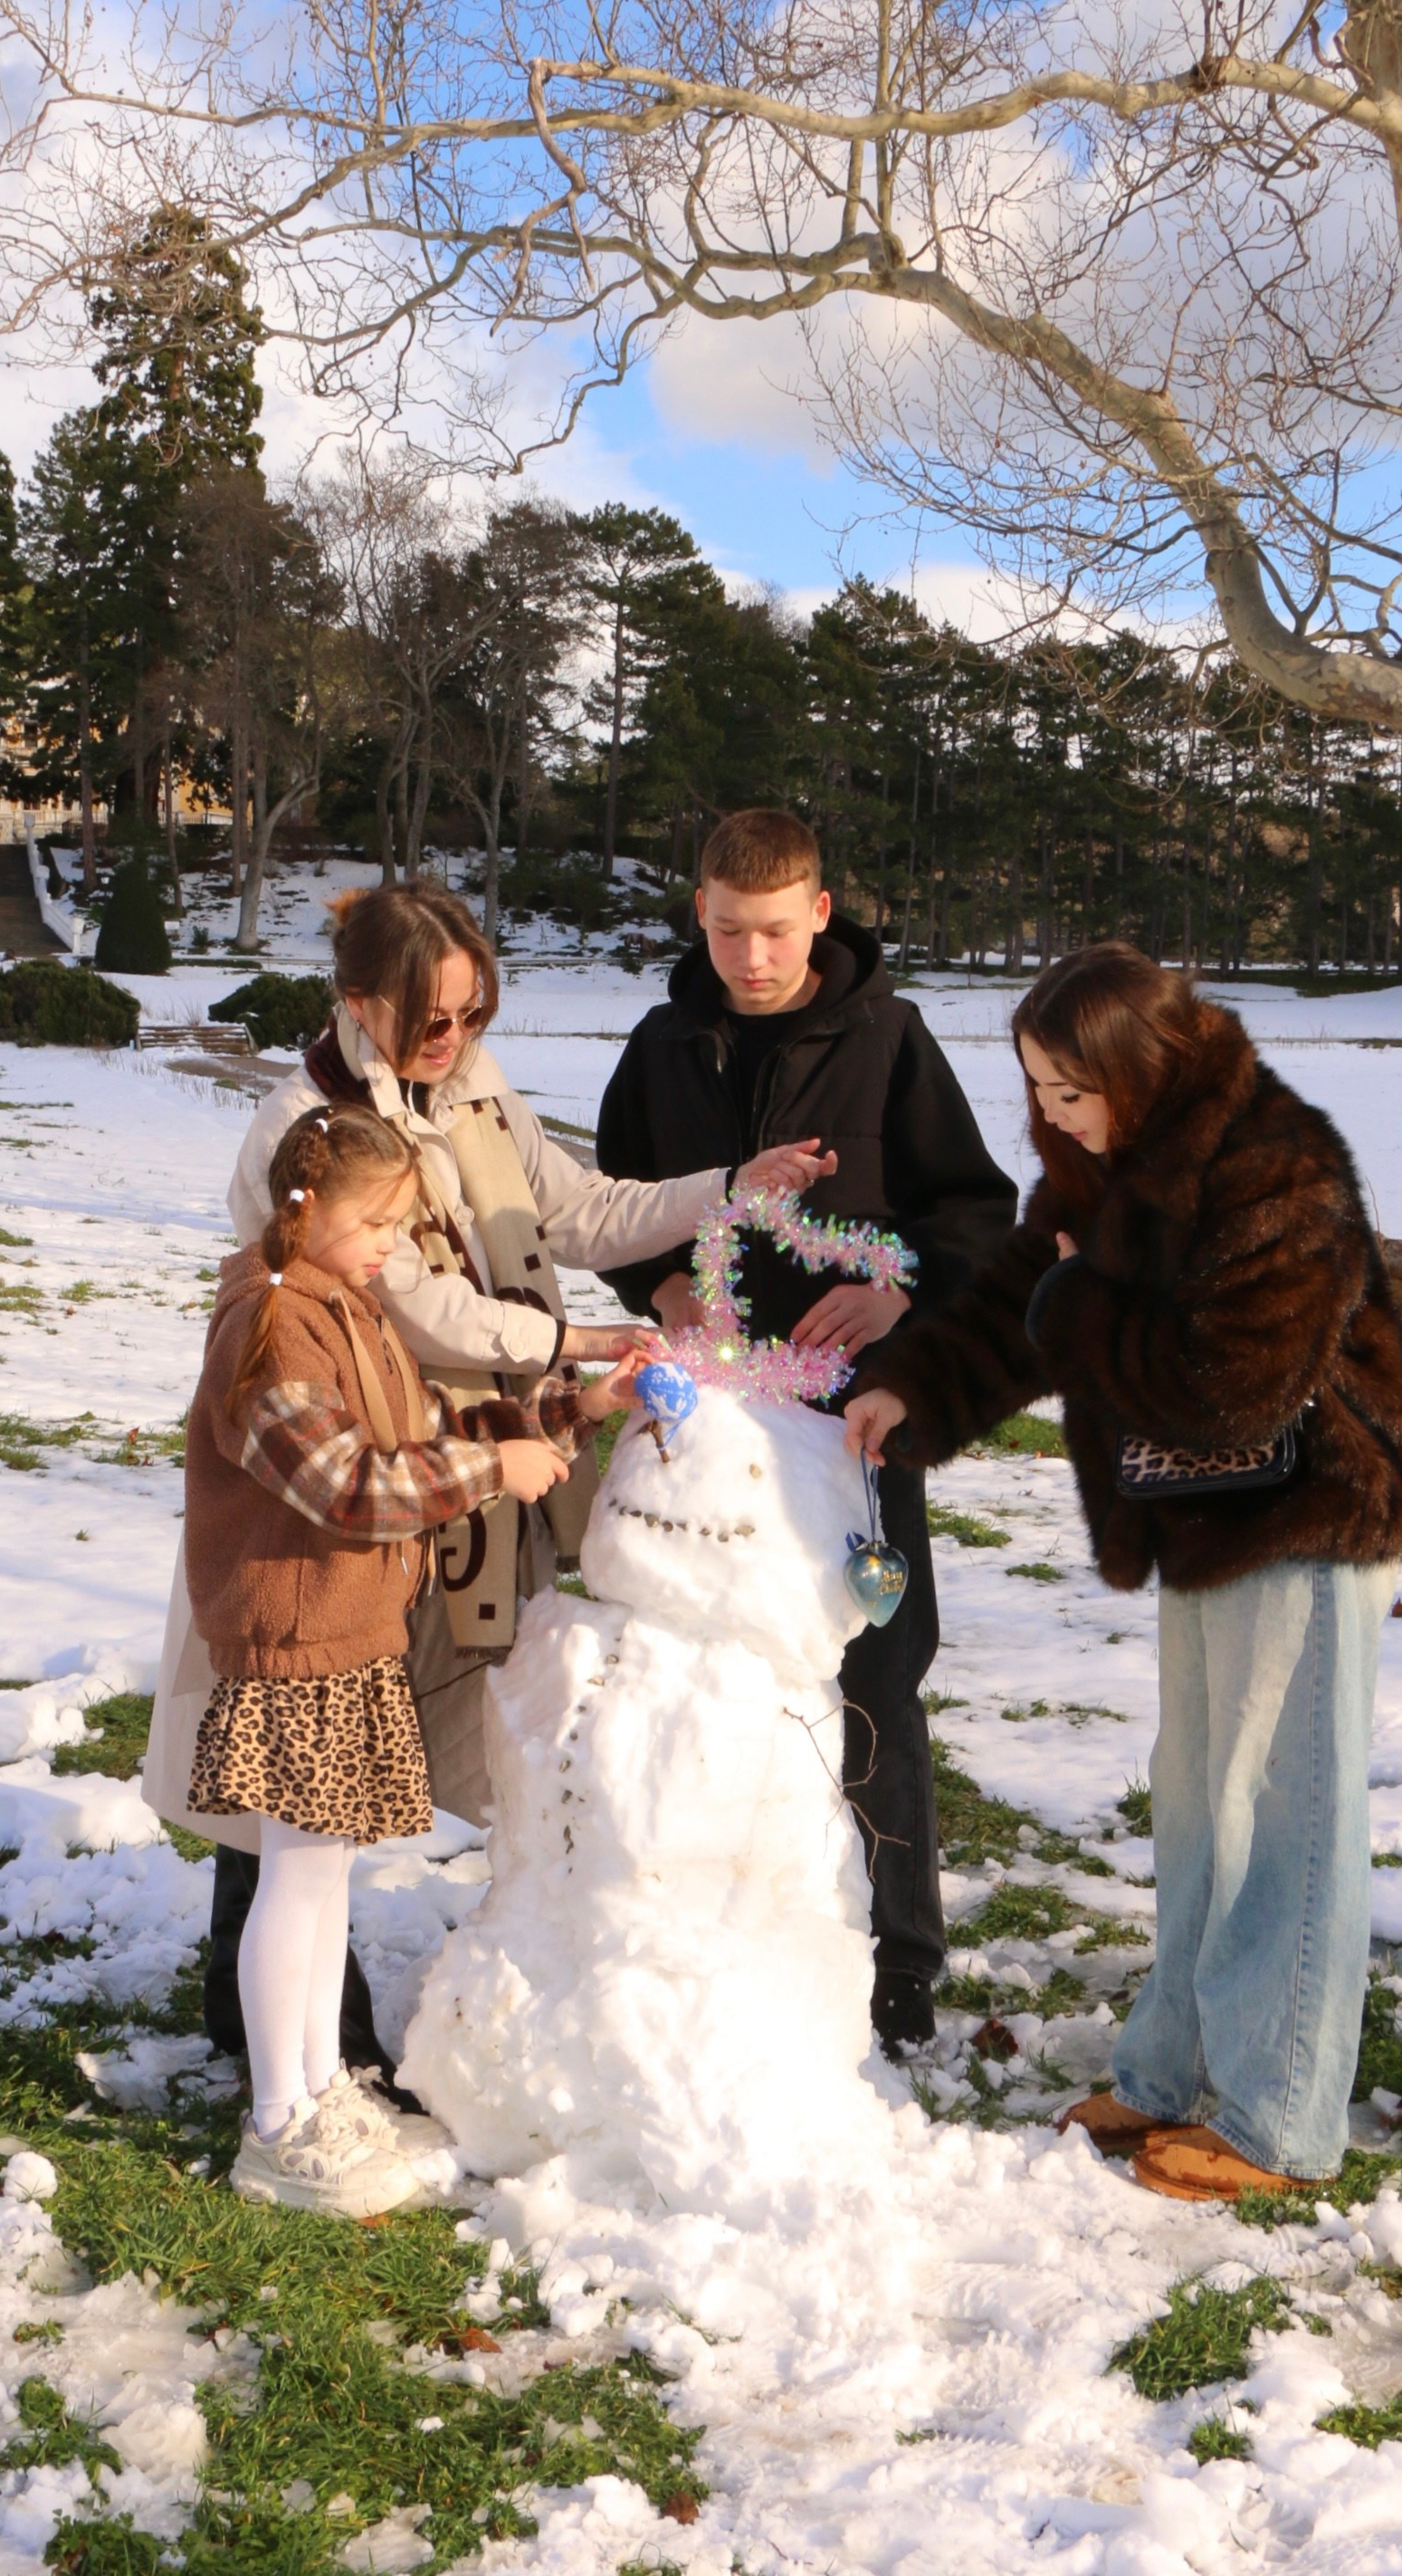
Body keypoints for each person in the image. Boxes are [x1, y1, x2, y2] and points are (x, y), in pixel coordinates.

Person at [146, 880, 828, 2074]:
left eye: (472, 1013)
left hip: (466, 1458)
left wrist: (728, 1189)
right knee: (305, 1734)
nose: (454, 1037)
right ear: (360, 1001)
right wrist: (572, 1344)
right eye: (432, 1018)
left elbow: (581, 1209)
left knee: (377, 1718)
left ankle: (322, 2011)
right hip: (351, 1482)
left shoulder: (469, 1088)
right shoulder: (309, 1137)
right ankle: (276, 2025)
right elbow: (416, 1306)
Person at [844, 941, 1402, 2200]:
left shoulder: (1276, 1167)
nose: (1047, 1113)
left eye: (1068, 1089)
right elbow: (1020, 1298)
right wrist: (912, 1388)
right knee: (1197, 1799)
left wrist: (1074, 1306)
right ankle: (1172, 2070)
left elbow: (1234, 1384)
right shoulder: (1108, 1158)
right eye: (1034, 1086)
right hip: (1206, 1515)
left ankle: (1277, 2119)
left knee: (1287, 1811)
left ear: (1141, 1069)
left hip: (1311, 1511)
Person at [596, 809, 1018, 2057]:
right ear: (699, 912)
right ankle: (726, 1922)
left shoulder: (887, 1038)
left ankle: (898, 1953)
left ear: (820, 912)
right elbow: (611, 1204)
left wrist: (899, 1293)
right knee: (709, 1654)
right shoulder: (663, 1043)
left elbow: (975, 1212)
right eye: (727, 929)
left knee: (874, 1665)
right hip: (709, 1414)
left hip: (854, 1415)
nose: (750, 956)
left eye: (774, 930)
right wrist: (655, 1287)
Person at [185, 1099, 649, 2215]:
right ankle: (278, 2121)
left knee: (322, 1875)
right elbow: (348, 1486)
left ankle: (318, 2089)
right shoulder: (270, 1325)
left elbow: (422, 1435)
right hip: (295, 1637)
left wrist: (577, 1408)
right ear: (303, 1210)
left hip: (348, 1630)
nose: (390, 1246)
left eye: (399, 1225)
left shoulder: (347, 1304)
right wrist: (494, 1476)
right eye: (374, 1224)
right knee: (295, 1879)